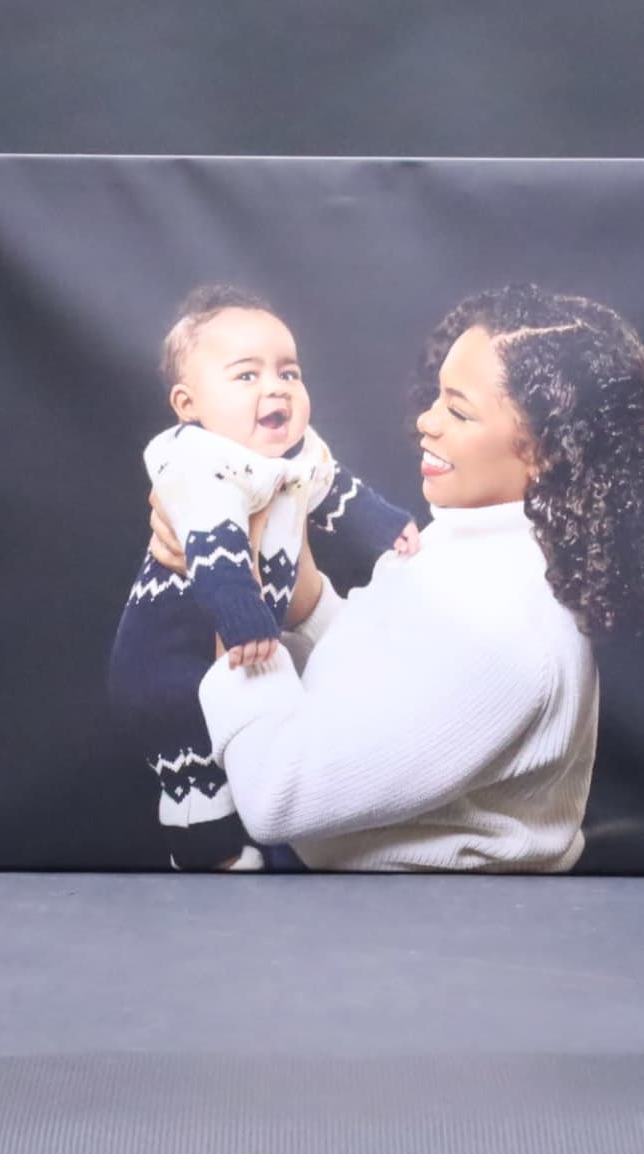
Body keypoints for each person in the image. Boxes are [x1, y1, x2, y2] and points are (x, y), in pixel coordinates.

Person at [179, 285, 644, 872]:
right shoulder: (474, 543)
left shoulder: (504, 636)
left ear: (548, 451)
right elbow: (385, 683)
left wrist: (228, 592)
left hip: (407, 930)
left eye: (459, 411)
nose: (426, 422)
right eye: (437, 398)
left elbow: (277, 797)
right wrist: (305, 600)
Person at [104, 286, 418, 872]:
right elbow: (215, 548)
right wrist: (244, 616)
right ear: (188, 404)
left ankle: (270, 824)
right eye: (246, 377)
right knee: (194, 760)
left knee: (259, 741)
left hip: (251, 638)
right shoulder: (197, 462)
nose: (275, 388)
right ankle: (206, 849)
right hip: (168, 657)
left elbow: (336, 491)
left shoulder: (298, 452)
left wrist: (387, 527)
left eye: (289, 373)